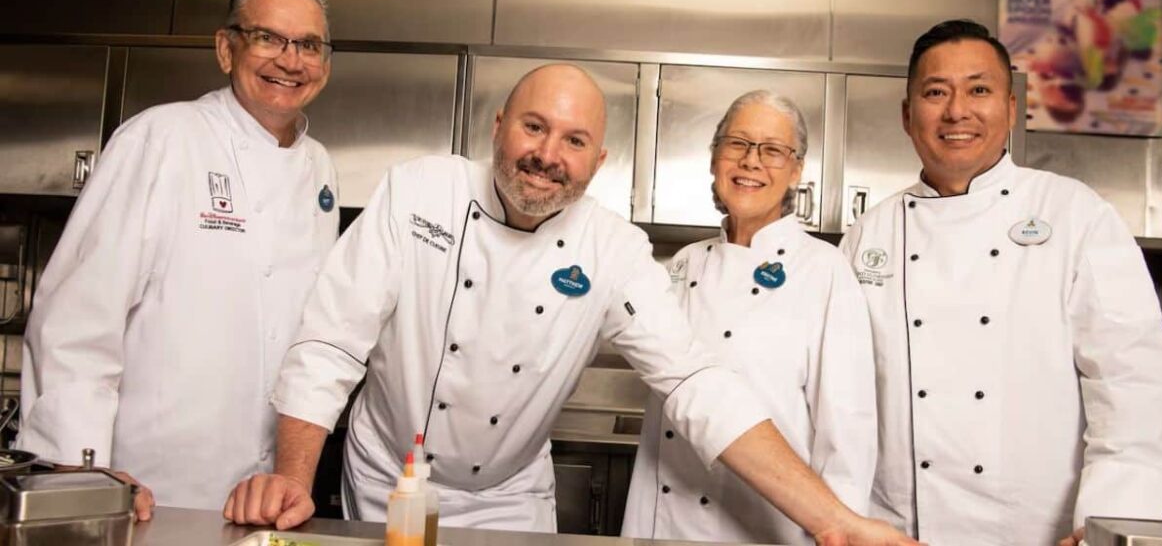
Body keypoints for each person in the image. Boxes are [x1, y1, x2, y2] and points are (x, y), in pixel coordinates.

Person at [224, 64, 916, 546]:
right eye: (533, 127)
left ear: (599, 159)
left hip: (509, 497)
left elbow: (697, 383)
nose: (548, 155)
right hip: (388, 480)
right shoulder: (418, 193)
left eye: (574, 141)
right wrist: (292, 477)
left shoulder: (613, 248)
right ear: (498, 127)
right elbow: (332, 341)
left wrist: (835, 519)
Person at [16, 0, 338, 517]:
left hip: (259, 499)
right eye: (268, 38)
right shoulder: (160, 139)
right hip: (144, 489)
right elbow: (75, 322)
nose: (291, 60)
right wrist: (82, 473)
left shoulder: (320, 169)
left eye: (309, 44)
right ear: (225, 48)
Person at [839, 19, 1162, 546]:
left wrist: (1106, 527)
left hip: (1044, 536)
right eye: (935, 92)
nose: (957, 111)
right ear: (907, 115)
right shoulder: (868, 233)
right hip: (897, 535)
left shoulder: (1076, 215)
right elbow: (841, 403)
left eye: (979, 89)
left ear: (1011, 108)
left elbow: (1134, 388)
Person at [623, 90, 877, 544]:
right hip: (663, 523)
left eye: (773, 150)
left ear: (797, 170)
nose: (751, 161)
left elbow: (847, 435)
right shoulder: (682, 264)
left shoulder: (823, 270)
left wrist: (840, 527)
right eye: (736, 144)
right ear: (714, 158)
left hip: (763, 529)